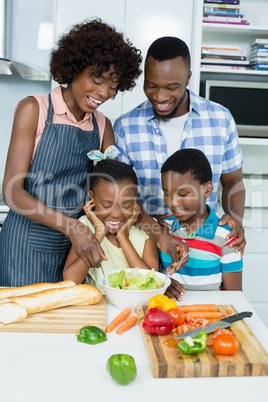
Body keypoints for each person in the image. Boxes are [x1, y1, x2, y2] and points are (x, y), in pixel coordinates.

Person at [0, 19, 142, 286]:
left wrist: (155, 235)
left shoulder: (102, 126)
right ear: (74, 68)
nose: (103, 92)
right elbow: (11, 191)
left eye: (113, 85)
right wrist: (72, 226)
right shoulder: (35, 110)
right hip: (24, 248)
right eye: (96, 79)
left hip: (76, 253)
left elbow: (113, 192)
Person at [114, 36, 246, 254]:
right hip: (143, 246)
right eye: (151, 85)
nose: (159, 96)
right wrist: (157, 233)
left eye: (171, 87)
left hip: (205, 247)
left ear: (188, 78)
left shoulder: (221, 120)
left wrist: (235, 220)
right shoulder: (125, 126)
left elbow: (233, 181)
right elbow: (123, 195)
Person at [63, 157, 159, 288]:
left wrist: (123, 236)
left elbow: (151, 282)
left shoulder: (146, 229)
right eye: (107, 205)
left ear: (135, 200)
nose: (116, 214)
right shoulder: (84, 226)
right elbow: (70, 280)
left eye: (126, 205)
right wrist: (99, 233)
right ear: (92, 197)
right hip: (99, 307)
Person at [159, 148, 242, 294]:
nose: (172, 202)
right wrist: (162, 283)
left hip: (210, 315)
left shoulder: (226, 237)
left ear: (207, 190)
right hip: (167, 313)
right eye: (167, 193)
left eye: (183, 194)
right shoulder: (162, 229)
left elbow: (234, 296)